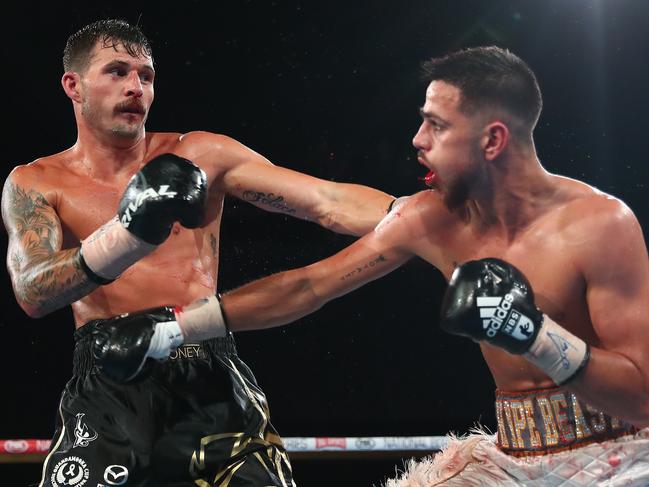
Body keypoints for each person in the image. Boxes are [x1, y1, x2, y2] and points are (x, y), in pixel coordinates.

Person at [119, 46, 648, 485]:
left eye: (436, 126)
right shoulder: (430, 219)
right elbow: (310, 286)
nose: (418, 141)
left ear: (492, 140)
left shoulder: (599, 225)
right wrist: (177, 327)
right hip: (513, 461)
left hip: (625, 457)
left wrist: (531, 334)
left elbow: (643, 397)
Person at [1, 19, 396, 487]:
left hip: (206, 363)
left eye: (146, 76)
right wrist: (127, 236)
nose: (135, 88)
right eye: (117, 72)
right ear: (73, 84)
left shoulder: (200, 155)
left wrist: (418, 213)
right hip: (109, 379)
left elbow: (327, 203)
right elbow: (32, 291)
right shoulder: (37, 180)